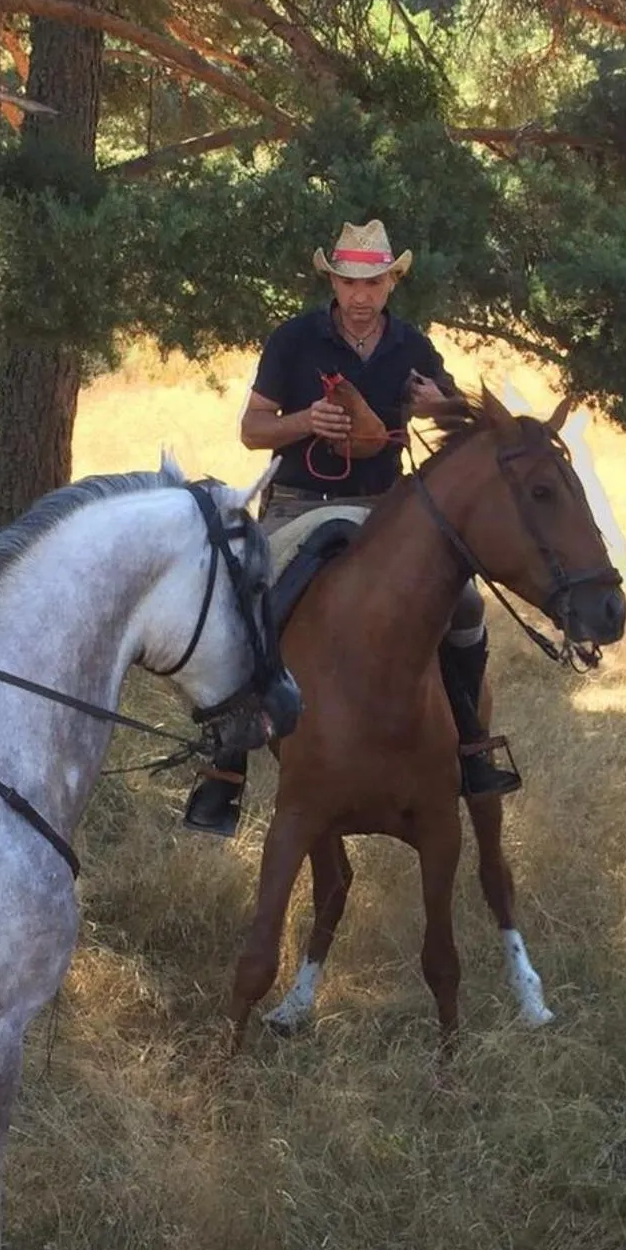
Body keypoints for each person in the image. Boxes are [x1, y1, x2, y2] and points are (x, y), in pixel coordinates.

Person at [183, 220, 521, 836]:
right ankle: (224, 770)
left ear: (392, 282)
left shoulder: (414, 348)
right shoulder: (293, 339)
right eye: (349, 281)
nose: (360, 294)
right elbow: (253, 430)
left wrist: (437, 407)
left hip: (384, 509)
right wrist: (305, 421)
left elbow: (459, 430)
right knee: (249, 603)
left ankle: (471, 747)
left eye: (373, 281)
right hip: (297, 500)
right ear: (332, 282)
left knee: (464, 605)